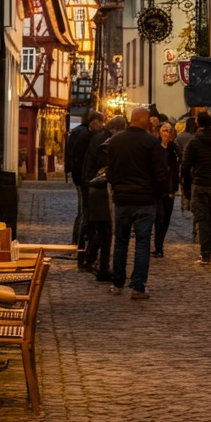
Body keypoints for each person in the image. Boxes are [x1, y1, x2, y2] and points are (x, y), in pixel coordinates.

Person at [105, 105, 170, 299]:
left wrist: (117, 187)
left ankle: (117, 283)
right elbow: (160, 172)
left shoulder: (116, 141)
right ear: (145, 121)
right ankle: (138, 286)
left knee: (120, 242)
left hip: (123, 198)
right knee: (142, 243)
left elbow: (110, 170)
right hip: (145, 199)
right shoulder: (152, 143)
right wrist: (160, 193)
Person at [79, 116, 125, 281]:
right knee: (104, 229)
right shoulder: (107, 141)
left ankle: (90, 261)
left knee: (100, 228)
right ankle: (100, 266)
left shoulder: (100, 137)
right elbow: (104, 166)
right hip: (98, 186)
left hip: (92, 184)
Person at [180, 111, 211, 264]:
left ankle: (205, 252)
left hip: (200, 183)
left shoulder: (194, 142)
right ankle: (208, 244)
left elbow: (185, 166)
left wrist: (186, 185)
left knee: (202, 218)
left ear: (198, 123)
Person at [66, 111, 104, 249]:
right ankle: (78, 242)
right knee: (83, 211)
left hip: (79, 177)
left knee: (83, 210)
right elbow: (81, 159)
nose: (100, 126)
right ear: (93, 122)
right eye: (99, 123)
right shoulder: (86, 136)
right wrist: (85, 178)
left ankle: (78, 240)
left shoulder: (79, 132)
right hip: (82, 178)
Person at [153, 121, 181, 258]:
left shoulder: (174, 149)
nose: (167, 133)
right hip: (157, 188)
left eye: (170, 131)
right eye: (165, 130)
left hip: (170, 188)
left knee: (166, 218)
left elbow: (179, 166)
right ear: (159, 132)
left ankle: (160, 244)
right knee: (159, 217)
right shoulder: (155, 147)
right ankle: (158, 246)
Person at [175, 116, 198, 215]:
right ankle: (192, 205)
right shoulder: (195, 137)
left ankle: (185, 205)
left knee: (185, 184)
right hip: (195, 167)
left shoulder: (180, 137)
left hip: (183, 164)